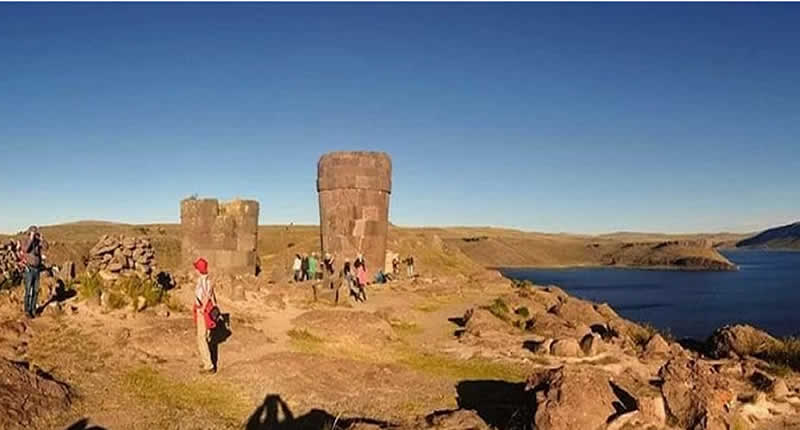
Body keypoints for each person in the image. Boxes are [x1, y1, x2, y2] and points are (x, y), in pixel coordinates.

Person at [192, 257, 217, 374]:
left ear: (198, 270)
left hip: (203, 311)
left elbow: (206, 296)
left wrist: (202, 308)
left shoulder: (203, 281)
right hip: (204, 310)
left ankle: (209, 365)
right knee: (206, 336)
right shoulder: (206, 280)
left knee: (201, 338)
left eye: (196, 268)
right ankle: (206, 359)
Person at [22, 226, 47, 318]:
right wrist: (31, 239)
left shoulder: (38, 242)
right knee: (28, 290)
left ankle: (33, 310)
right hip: (29, 269)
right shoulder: (26, 241)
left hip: (37, 269)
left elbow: (46, 247)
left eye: (36, 233)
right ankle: (27, 310)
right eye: (33, 232)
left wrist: (42, 239)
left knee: (36, 291)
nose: (35, 234)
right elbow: (25, 249)